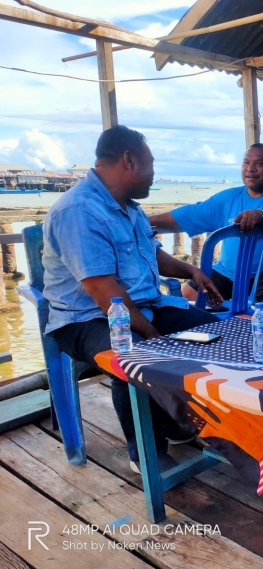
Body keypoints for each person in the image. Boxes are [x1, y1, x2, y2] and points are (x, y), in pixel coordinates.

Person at [43, 125, 223, 473]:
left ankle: (174, 422)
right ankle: (145, 450)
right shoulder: (79, 212)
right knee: (136, 352)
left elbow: (152, 253)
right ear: (129, 161)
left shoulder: (131, 208)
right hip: (85, 319)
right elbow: (107, 296)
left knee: (217, 332)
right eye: (151, 164)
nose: (155, 174)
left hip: (144, 307)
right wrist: (158, 340)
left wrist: (191, 272)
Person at [149, 144, 263, 304]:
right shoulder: (229, 198)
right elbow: (191, 214)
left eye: (258, 163)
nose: (250, 168)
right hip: (226, 273)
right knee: (182, 303)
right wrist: (147, 221)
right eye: (246, 162)